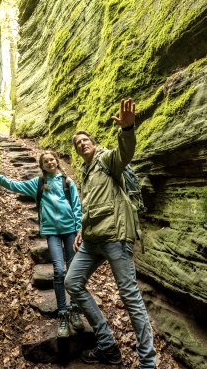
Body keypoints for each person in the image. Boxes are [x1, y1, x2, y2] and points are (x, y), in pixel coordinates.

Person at [65, 98, 157, 368]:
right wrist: (82, 228)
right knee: (72, 282)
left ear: (92, 142)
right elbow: (90, 205)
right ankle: (107, 345)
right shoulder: (85, 172)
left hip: (116, 238)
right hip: (92, 240)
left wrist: (127, 130)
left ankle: (148, 363)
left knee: (130, 297)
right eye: (77, 143)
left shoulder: (106, 159)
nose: (81, 143)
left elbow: (125, 152)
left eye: (85, 139)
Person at [0, 151, 85, 338]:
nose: (50, 162)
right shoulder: (38, 183)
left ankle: (74, 310)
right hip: (51, 232)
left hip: (70, 232)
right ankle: (63, 314)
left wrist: (79, 228)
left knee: (73, 270)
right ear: (42, 166)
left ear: (56, 162)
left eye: (52, 159)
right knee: (59, 270)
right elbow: (15, 185)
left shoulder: (67, 182)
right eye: (46, 161)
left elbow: (76, 205)